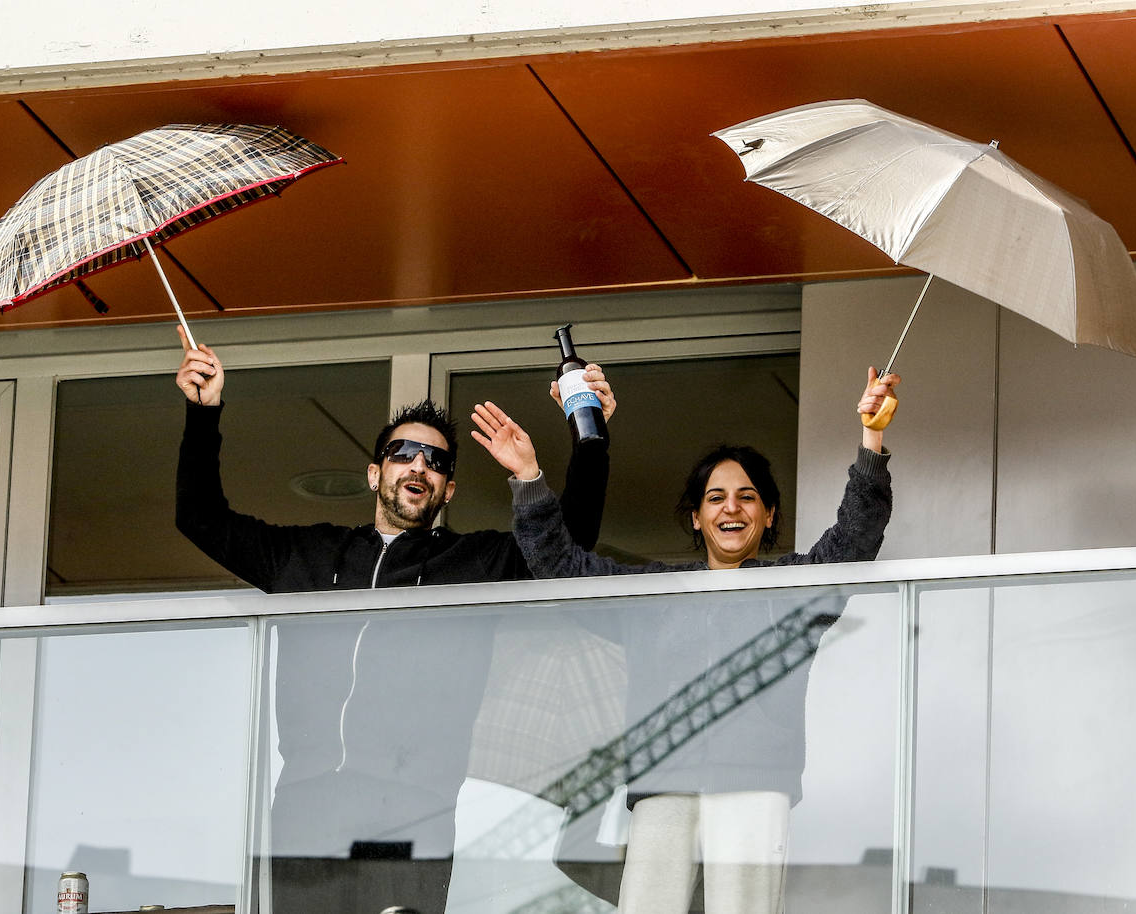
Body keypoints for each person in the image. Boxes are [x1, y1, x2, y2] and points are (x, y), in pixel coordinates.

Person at [172, 329, 615, 913]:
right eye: (402, 453)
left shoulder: (476, 562)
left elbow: (570, 544)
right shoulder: (307, 553)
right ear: (374, 473)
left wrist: (590, 439)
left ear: (448, 488)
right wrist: (202, 413)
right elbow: (200, 518)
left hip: (415, 814)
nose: (418, 466)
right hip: (305, 814)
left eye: (435, 462)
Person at [470, 368, 899, 914]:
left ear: (768, 516)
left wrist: (872, 439)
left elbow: (853, 541)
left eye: (747, 497)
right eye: (715, 498)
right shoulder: (657, 591)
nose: (731, 508)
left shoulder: (790, 586)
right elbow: (562, 568)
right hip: (663, 781)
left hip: (754, 782)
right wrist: (529, 477)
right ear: (696, 518)